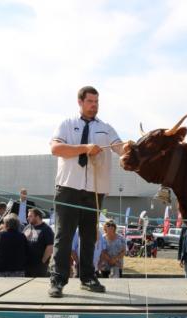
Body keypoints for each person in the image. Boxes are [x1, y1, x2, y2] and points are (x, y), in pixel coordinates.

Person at [48, 86, 124, 297]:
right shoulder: (66, 124)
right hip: (68, 188)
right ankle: (58, 280)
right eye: (90, 101)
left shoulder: (106, 128)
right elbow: (56, 149)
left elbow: (120, 147)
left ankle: (88, 277)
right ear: (80, 102)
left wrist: (134, 148)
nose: (94, 106)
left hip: (95, 190)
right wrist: (84, 148)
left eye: (97, 102)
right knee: (63, 236)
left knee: (90, 236)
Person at [23, 208, 54, 277]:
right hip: (26, 265)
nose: (28, 218)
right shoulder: (27, 228)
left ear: (37, 217)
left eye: (30, 216)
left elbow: (50, 247)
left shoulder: (46, 229)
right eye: (28, 216)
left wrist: (43, 262)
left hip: (39, 267)